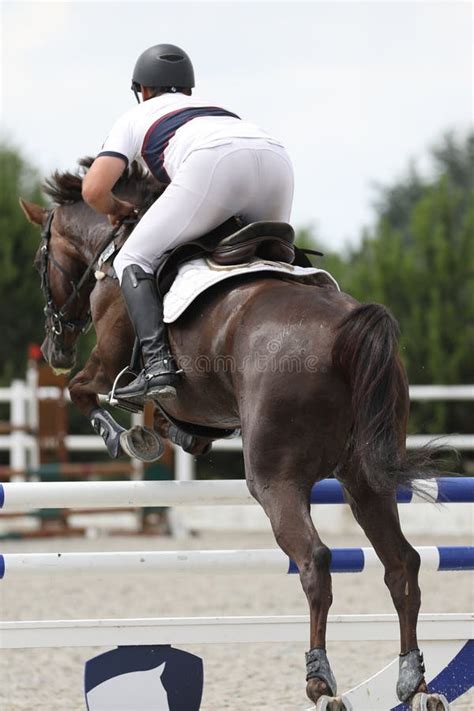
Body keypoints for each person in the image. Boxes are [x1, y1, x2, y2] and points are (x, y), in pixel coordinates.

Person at [82, 43, 294, 403]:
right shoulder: (215, 110)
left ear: (142, 91)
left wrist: (115, 207)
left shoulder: (136, 116)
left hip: (216, 162)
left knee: (132, 259)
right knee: (273, 261)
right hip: (276, 158)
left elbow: (93, 189)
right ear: (188, 90)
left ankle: (157, 366)